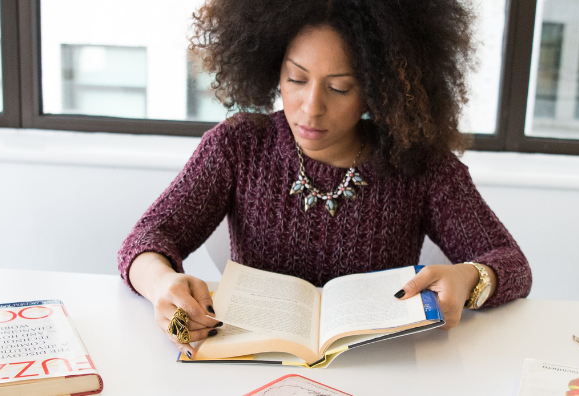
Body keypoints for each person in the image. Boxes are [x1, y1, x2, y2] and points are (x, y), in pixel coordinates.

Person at [117, 0, 531, 357]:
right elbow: (145, 239)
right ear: (271, 67)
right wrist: (162, 284)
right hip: (251, 363)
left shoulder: (420, 165)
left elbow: (512, 265)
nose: (311, 108)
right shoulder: (237, 145)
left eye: (340, 88)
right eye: (296, 79)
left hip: (382, 368)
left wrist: (471, 278)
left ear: (377, 88)